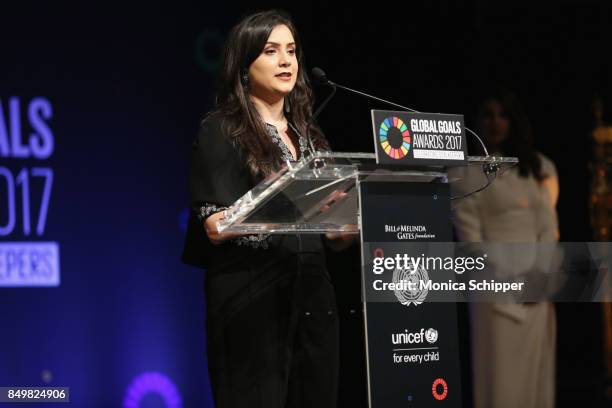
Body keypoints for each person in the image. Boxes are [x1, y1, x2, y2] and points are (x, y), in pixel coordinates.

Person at [181, 10, 352, 408]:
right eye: (271, 51)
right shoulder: (222, 130)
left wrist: (350, 224)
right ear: (244, 66)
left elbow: (331, 235)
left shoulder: (311, 136)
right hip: (251, 299)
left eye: (291, 51)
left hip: (312, 297)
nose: (286, 61)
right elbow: (216, 226)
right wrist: (288, 203)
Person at [452, 88, 559, 408]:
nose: (495, 122)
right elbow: (470, 242)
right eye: (488, 114)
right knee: (501, 383)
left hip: (536, 289)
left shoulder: (539, 168)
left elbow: (548, 228)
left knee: (535, 384)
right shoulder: (467, 172)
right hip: (495, 290)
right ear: (476, 121)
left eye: (502, 114)